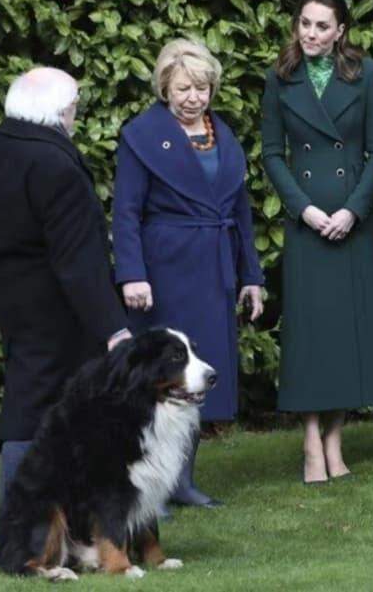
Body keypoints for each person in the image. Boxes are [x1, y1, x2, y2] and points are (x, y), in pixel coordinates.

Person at [0, 67, 131, 507]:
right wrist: (114, 328)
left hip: (11, 296)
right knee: (44, 404)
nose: (75, 116)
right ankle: (24, 517)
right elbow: (79, 262)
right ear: (58, 112)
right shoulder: (56, 165)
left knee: (28, 392)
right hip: (59, 308)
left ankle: (50, 515)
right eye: (73, 107)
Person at [112, 38, 264, 508]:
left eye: (201, 87)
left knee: (200, 377)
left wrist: (252, 276)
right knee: (157, 380)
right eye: (183, 88)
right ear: (165, 87)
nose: (193, 97)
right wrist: (132, 274)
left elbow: (240, 212)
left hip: (213, 269)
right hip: (164, 271)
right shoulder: (141, 136)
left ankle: (182, 482)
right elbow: (126, 212)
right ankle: (143, 485)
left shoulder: (225, 136)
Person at [261, 0, 373, 485]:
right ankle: (310, 441)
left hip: (351, 224)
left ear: (341, 30)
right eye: (305, 23)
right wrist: (304, 210)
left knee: (347, 336)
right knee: (309, 335)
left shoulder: (367, 75)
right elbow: (272, 154)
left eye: (323, 25)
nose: (312, 33)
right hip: (308, 225)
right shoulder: (279, 79)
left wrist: (353, 211)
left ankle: (335, 440)